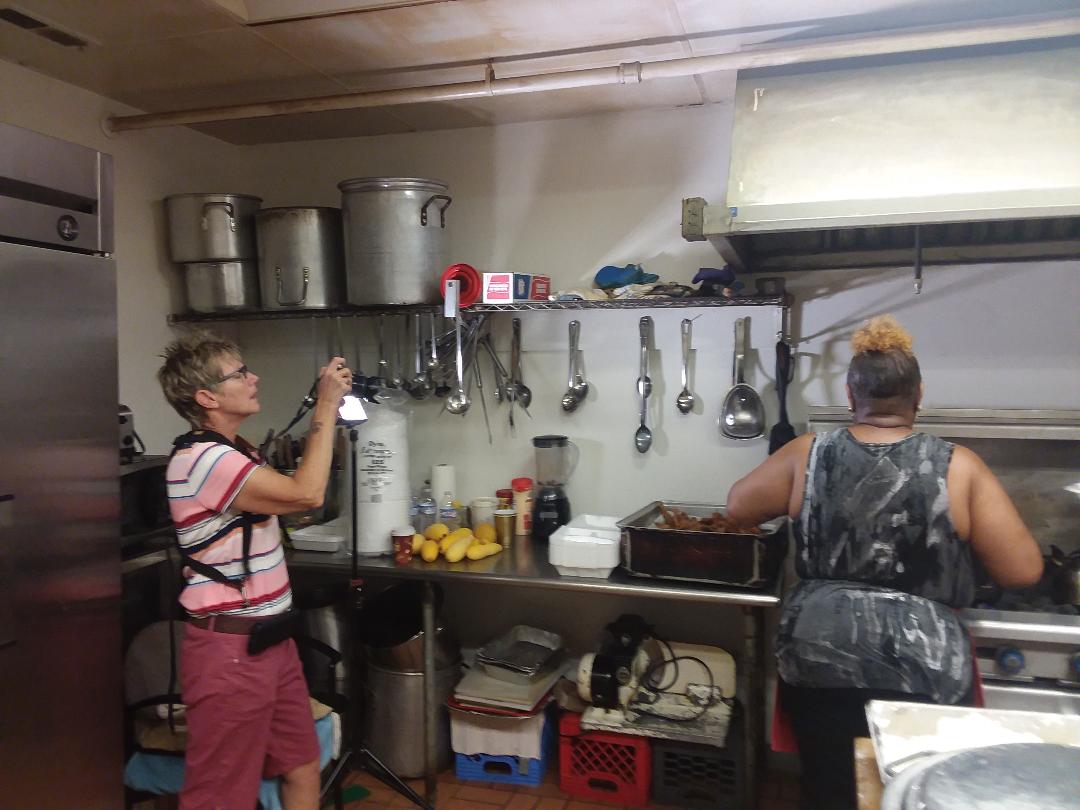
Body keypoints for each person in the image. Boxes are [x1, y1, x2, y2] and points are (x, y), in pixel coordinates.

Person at [725, 315, 1043, 810]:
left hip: (819, 659)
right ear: (919, 396)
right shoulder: (959, 466)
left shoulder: (809, 453)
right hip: (926, 668)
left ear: (851, 396)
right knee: (916, 794)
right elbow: (1023, 571)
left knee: (829, 791)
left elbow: (738, 507)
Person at [157, 331, 351, 810]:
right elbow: (306, 493)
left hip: (270, 641)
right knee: (221, 796)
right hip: (230, 652)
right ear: (207, 397)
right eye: (239, 373)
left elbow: (290, 498)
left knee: (302, 765)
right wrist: (326, 404)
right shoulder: (203, 460)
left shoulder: (237, 450)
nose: (253, 378)